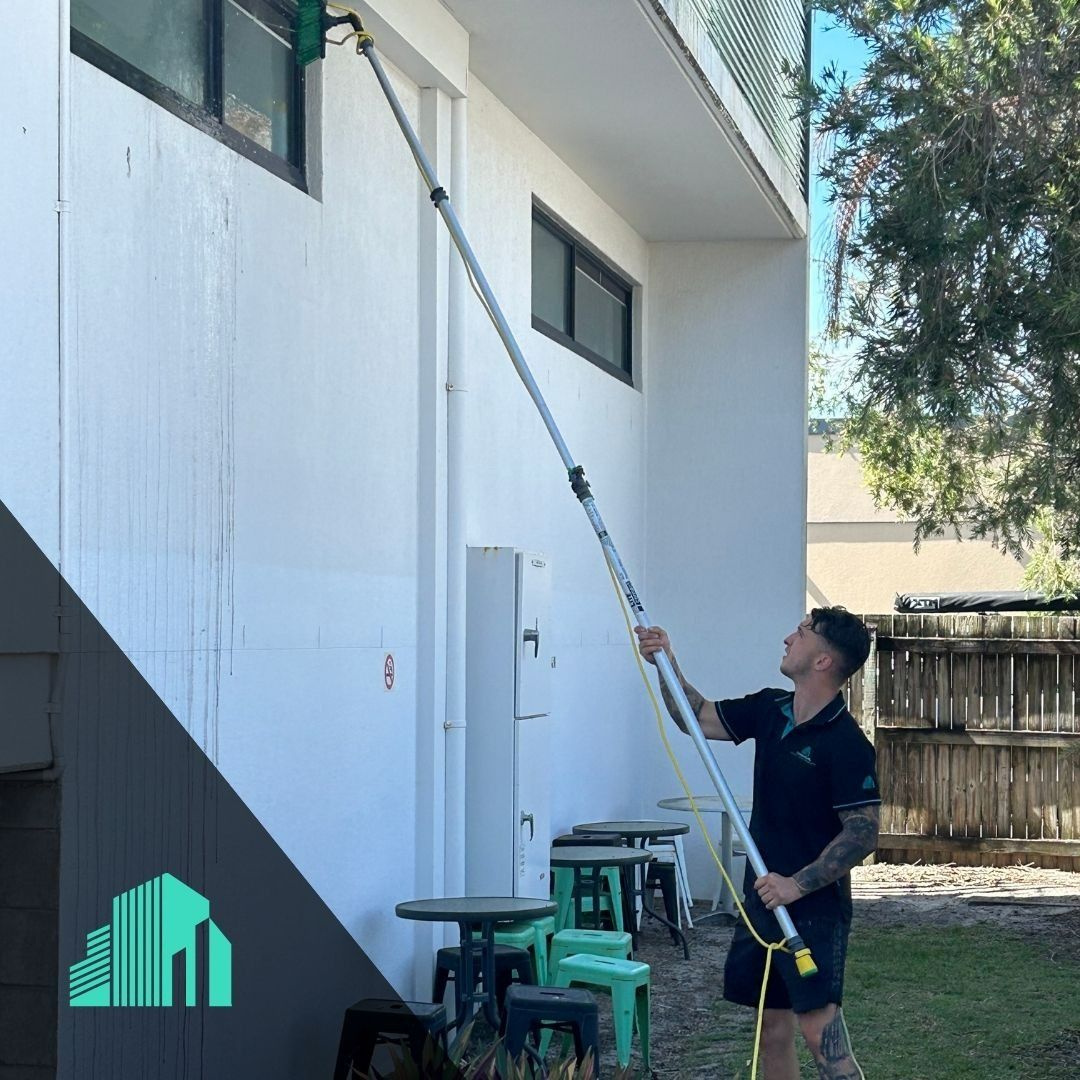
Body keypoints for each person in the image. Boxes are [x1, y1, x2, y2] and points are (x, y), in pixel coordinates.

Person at [635, 607, 879, 1080]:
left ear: (824, 661)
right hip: (763, 900)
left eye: (802, 632)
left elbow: (862, 832)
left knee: (821, 1036)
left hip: (812, 909)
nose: (789, 638)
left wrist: (795, 885)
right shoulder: (771, 710)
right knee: (771, 1031)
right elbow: (696, 717)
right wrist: (667, 662)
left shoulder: (846, 742)